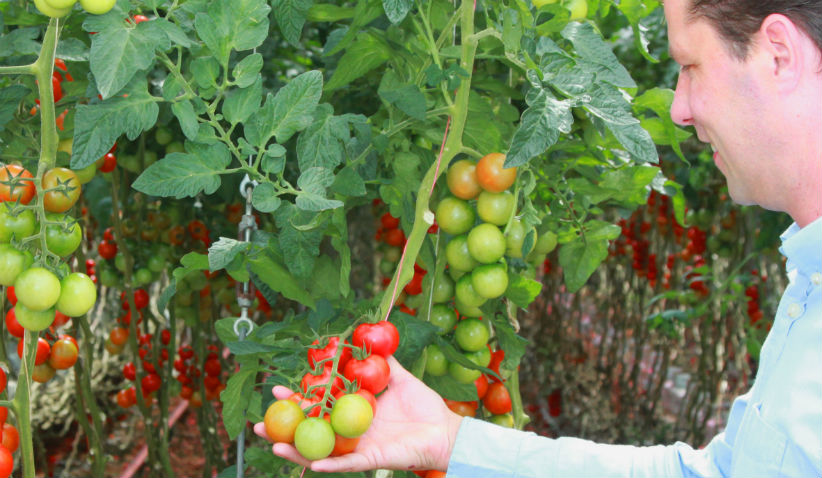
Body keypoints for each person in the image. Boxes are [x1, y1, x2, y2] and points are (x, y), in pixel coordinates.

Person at [254, 0, 822, 475]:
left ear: (778, 53)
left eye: (689, 66)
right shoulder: (808, 278)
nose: (677, 108)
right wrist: (452, 440)